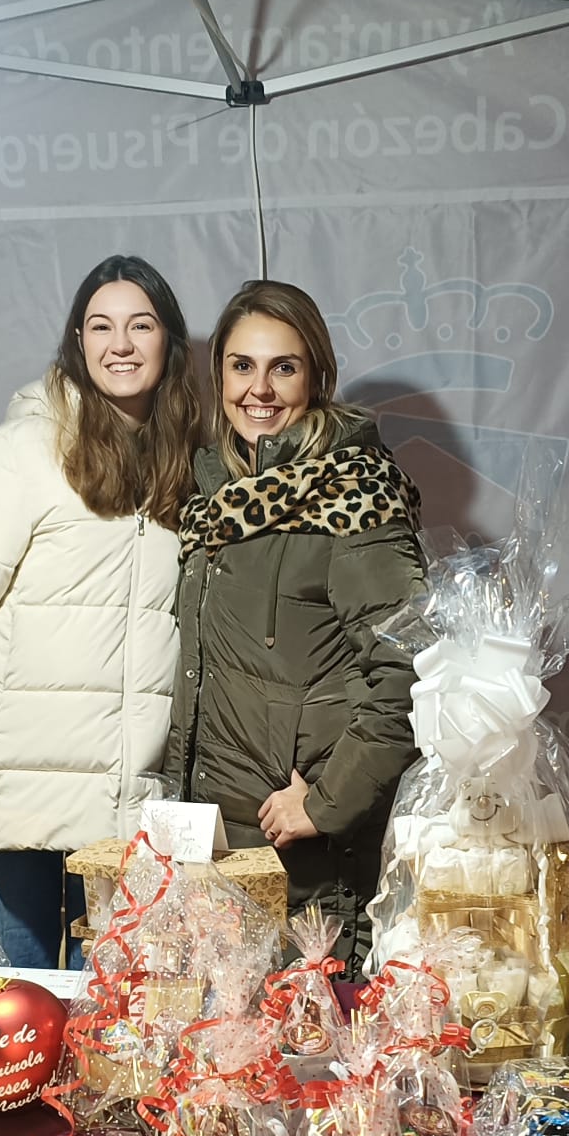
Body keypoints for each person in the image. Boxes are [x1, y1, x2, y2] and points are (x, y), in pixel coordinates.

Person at [0, 255, 200, 968]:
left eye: (141, 325)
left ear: (169, 341)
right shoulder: (21, 452)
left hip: (125, 800)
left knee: (111, 1015)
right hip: (15, 792)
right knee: (18, 1010)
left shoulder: (189, 467)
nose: (120, 344)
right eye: (101, 326)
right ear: (78, 342)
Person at [166, 280, 426, 966]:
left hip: (303, 857)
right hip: (212, 844)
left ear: (316, 377)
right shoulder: (209, 499)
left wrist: (328, 802)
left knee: (307, 1030)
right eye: (242, 366)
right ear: (219, 375)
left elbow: (411, 665)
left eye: (283, 367)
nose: (260, 389)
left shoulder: (354, 495)